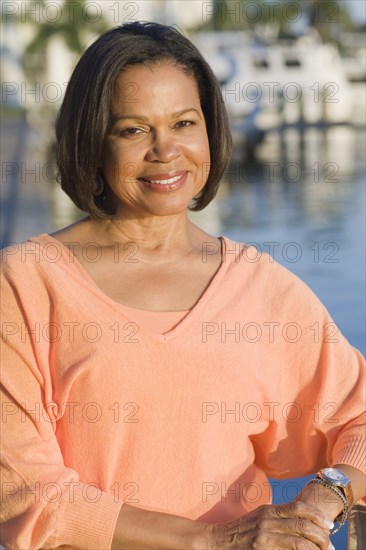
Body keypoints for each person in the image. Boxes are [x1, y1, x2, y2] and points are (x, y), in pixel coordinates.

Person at [1, 21, 365, 550]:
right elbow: (23, 492)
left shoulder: (260, 287)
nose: (165, 150)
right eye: (133, 129)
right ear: (91, 140)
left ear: (209, 130)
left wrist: (326, 494)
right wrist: (214, 539)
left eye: (184, 123)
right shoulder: (25, 284)